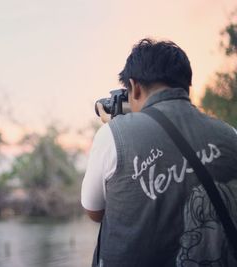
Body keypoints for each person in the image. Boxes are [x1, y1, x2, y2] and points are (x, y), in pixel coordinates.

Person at [81, 38, 237, 267]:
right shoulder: (230, 134)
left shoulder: (113, 135)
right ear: (186, 85)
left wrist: (114, 126)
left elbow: (94, 211)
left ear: (134, 87)